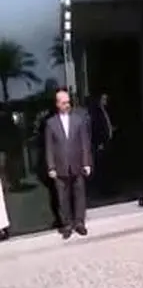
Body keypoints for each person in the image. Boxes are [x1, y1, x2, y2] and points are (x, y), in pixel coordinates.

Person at [45, 88, 92, 238]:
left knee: (79, 194)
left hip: (77, 164)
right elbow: (49, 147)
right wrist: (51, 166)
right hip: (60, 166)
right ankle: (66, 225)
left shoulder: (78, 120)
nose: (67, 105)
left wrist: (86, 163)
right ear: (57, 104)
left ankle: (79, 223)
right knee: (62, 197)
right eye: (64, 103)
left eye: (68, 102)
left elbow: (84, 143)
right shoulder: (51, 123)